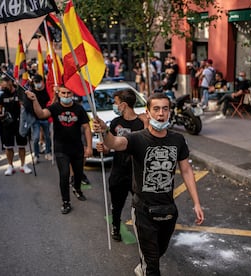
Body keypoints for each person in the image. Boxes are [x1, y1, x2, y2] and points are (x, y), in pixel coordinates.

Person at [93, 93, 204, 275]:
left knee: (158, 252)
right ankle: (146, 268)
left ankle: (144, 265)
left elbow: (186, 170)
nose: (161, 114)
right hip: (143, 210)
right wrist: (105, 131)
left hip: (168, 210)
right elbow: (114, 142)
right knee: (153, 267)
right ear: (148, 113)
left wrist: (197, 203)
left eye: (165, 109)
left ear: (169, 112)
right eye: (156, 109)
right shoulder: (137, 138)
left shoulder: (177, 140)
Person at [25, 85, 92, 214]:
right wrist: (34, 100)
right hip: (61, 149)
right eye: (63, 93)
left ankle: (77, 189)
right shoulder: (55, 108)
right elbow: (41, 114)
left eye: (68, 93)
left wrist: (89, 147)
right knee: (64, 174)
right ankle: (66, 202)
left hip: (77, 148)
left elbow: (86, 128)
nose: (66, 96)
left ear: (72, 94)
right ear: (59, 94)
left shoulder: (79, 109)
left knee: (78, 174)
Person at [96, 89, 148, 242]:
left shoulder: (142, 123)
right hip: (118, 172)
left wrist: (146, 121)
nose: (114, 105)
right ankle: (116, 227)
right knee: (116, 205)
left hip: (136, 173)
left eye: (116, 103)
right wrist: (103, 148)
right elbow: (109, 145)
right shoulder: (115, 123)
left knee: (141, 205)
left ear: (123, 105)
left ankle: (145, 230)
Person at [0, 75, 32, 176]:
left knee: (21, 145)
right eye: (2, 86)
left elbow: (26, 105)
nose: (3, 88)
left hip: (20, 123)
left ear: (10, 83)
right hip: (8, 124)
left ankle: (23, 165)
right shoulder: (2, 96)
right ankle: (10, 166)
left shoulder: (19, 93)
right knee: (8, 146)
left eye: (4, 85)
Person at [29, 74, 52, 163]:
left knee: (47, 136)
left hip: (46, 117)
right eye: (35, 82)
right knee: (35, 138)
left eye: (39, 82)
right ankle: (36, 155)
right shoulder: (32, 92)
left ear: (42, 82)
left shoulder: (47, 91)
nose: (37, 84)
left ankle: (48, 152)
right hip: (35, 119)